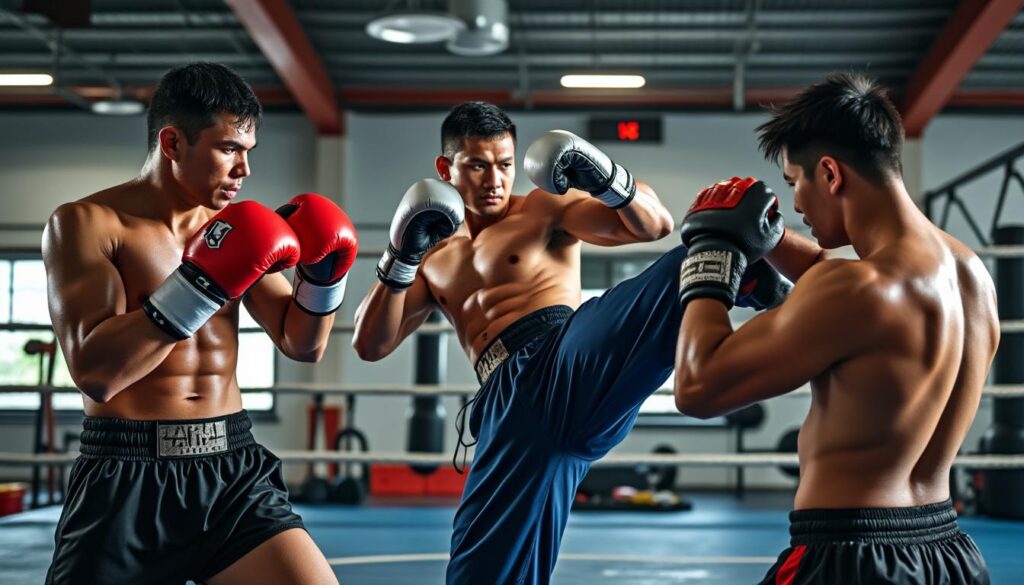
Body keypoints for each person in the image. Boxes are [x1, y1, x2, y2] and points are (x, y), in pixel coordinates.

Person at [352, 102, 786, 584]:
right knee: (480, 572)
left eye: (505, 164)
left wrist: (606, 177)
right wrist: (399, 258)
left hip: (563, 355)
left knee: (696, 247)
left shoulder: (541, 209)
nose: (494, 179)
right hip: (506, 406)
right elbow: (370, 344)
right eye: (477, 165)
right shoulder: (431, 254)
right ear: (445, 168)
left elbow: (653, 225)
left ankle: (748, 273)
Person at [673, 73, 997, 584]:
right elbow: (855, 289)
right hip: (948, 553)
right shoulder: (971, 276)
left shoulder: (852, 290)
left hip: (852, 559)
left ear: (830, 173)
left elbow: (696, 387)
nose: (797, 204)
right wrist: (770, 235)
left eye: (793, 183)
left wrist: (710, 258)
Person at [42, 62, 355, 585]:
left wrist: (322, 279)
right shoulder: (88, 223)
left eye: (249, 153)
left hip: (230, 468)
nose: (244, 170)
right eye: (229, 149)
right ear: (172, 142)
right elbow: (96, 371)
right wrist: (203, 284)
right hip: (127, 475)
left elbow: (302, 345)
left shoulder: (236, 229)